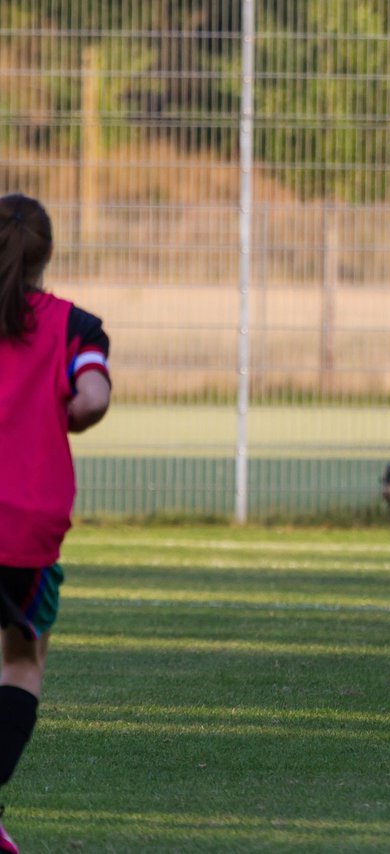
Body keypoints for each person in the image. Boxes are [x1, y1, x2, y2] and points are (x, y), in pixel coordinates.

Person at [0, 193, 111, 850]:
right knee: (21, 659)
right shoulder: (74, 326)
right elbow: (92, 396)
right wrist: (61, 414)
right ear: (47, 255)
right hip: (27, 530)